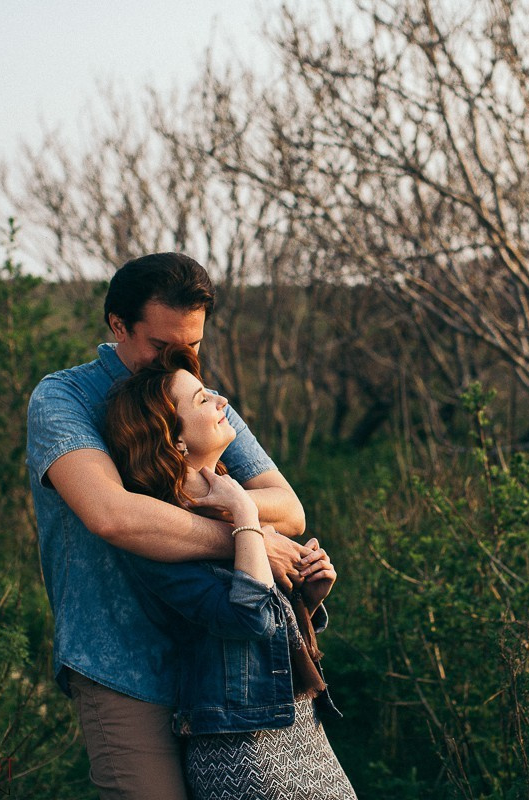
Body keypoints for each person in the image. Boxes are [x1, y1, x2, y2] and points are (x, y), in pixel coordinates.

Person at [26, 252, 315, 799]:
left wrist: (253, 527)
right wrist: (246, 538)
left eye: (192, 347)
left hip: (216, 668)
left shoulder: (197, 400)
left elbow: (288, 507)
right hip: (122, 665)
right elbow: (113, 515)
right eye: (161, 347)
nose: (178, 361)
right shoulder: (63, 399)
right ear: (118, 326)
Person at [103, 343, 356, 799]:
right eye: (202, 399)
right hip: (240, 746)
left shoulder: (231, 501)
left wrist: (308, 596)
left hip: (298, 726)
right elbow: (248, 619)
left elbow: (267, 620)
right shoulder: (162, 534)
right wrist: (244, 515)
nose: (222, 402)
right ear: (174, 438)